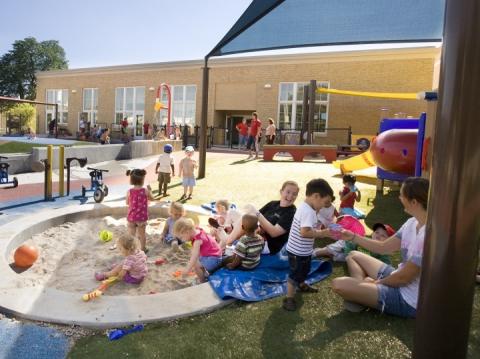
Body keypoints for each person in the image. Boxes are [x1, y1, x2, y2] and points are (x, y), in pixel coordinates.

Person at [331, 177, 429, 318]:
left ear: (414, 202)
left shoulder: (428, 235)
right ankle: (362, 293)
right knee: (352, 254)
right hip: (397, 277)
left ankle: (362, 293)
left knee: (338, 284)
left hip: (409, 299)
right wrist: (353, 236)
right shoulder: (411, 223)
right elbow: (383, 247)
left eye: (402, 195)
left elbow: (404, 278)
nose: (399, 198)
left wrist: (377, 283)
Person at [283, 178, 334, 311]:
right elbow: (305, 233)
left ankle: (302, 284)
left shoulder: (307, 208)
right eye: (324, 203)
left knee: (304, 270)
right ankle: (289, 298)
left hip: (303, 251)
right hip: (296, 252)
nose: (324, 206)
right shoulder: (307, 211)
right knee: (294, 274)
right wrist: (323, 233)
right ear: (316, 196)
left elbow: (309, 227)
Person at [217, 181, 299, 255]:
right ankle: (227, 234)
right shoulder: (273, 204)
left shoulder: (291, 212)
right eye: (288, 192)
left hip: (268, 243)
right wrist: (232, 226)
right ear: (281, 192)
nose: (291, 196)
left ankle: (226, 241)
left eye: (294, 194)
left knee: (245, 219)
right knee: (232, 213)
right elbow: (254, 217)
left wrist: (256, 213)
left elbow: (274, 233)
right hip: (257, 232)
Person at [314, 221, 394, 264]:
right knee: (334, 248)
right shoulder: (365, 241)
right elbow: (351, 243)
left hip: (353, 257)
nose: (378, 235)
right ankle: (315, 253)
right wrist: (348, 252)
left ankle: (327, 252)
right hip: (346, 245)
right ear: (373, 233)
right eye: (377, 232)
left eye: (383, 235)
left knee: (338, 257)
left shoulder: (383, 252)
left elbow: (386, 264)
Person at [174, 218, 223, 283]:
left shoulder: (197, 241)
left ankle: (202, 281)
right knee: (196, 257)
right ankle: (204, 273)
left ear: (187, 232)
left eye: (181, 237)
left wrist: (187, 270)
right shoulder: (198, 230)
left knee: (196, 265)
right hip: (216, 255)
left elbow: (194, 256)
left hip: (214, 260)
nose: (182, 240)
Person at [126, 169, 155, 253]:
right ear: (142, 180)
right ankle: (143, 249)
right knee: (142, 235)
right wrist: (150, 190)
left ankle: (131, 249)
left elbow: (127, 203)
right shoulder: (145, 190)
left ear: (131, 180)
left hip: (131, 217)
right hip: (141, 218)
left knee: (132, 235)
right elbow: (152, 199)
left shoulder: (129, 191)